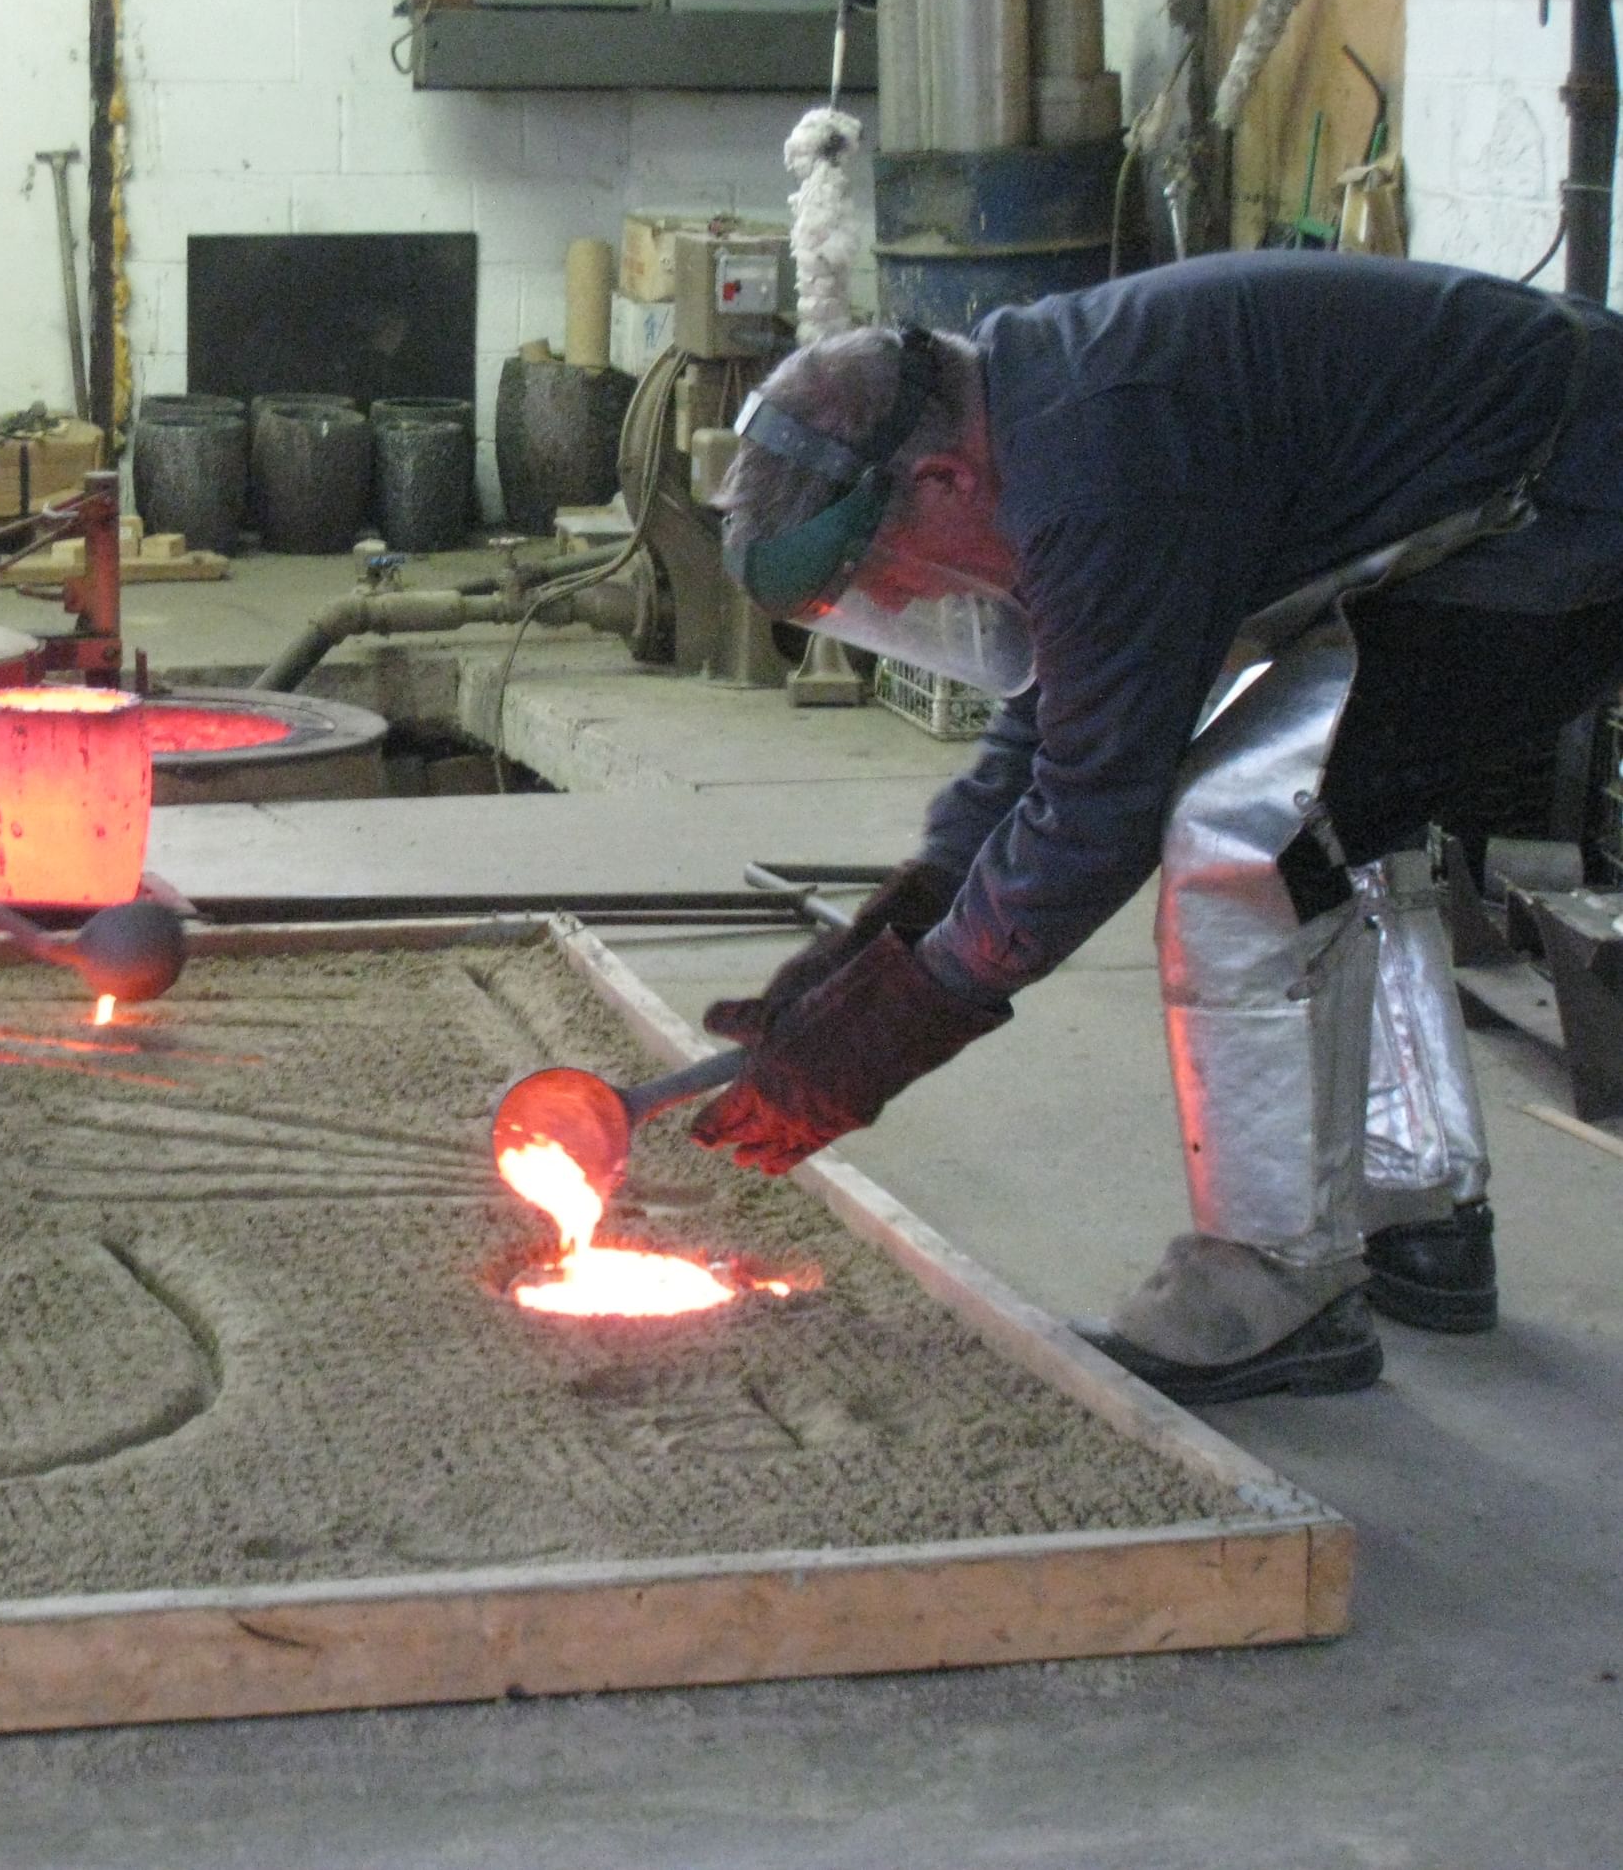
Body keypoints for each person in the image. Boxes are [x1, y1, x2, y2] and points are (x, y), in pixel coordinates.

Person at [691, 251, 1623, 1403]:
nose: (906, 604)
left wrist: (892, 1027)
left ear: (937, 483)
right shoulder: (1032, 416)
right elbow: (1056, 723)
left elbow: (1094, 812)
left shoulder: (1097, 474)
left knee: (1252, 834)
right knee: (1345, 814)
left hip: (1565, 517)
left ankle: (1271, 1283)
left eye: (883, 578)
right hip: (1533, 479)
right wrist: (891, 928)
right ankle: (1420, 1214)